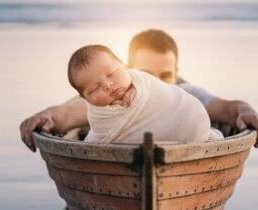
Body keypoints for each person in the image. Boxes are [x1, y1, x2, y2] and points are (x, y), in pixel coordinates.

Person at [19, 29, 258, 150]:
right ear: (129, 70)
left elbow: (228, 109)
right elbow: (67, 113)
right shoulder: (110, 101)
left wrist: (246, 111)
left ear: (177, 71)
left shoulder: (185, 96)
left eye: (166, 75)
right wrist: (46, 116)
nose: (157, 82)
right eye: (147, 74)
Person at [67, 44, 220, 144]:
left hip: (185, 124)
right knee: (89, 143)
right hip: (129, 147)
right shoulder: (98, 116)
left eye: (112, 74)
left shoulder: (143, 83)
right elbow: (100, 134)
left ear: (124, 66)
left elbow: (161, 93)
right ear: (85, 98)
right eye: (94, 89)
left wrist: (139, 94)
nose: (107, 85)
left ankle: (205, 134)